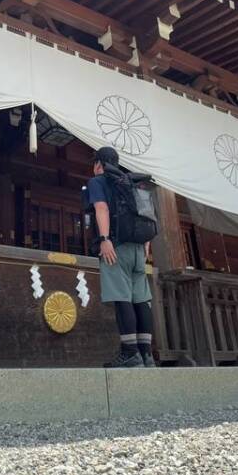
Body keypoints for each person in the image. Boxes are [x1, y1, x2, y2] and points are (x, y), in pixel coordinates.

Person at [86, 145, 156, 368]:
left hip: (116, 248)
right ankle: (147, 355)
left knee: (122, 299)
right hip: (138, 248)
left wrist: (105, 239)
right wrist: (146, 244)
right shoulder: (130, 181)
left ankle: (130, 352)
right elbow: (144, 213)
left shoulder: (98, 181)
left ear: (98, 163)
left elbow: (101, 208)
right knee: (140, 300)